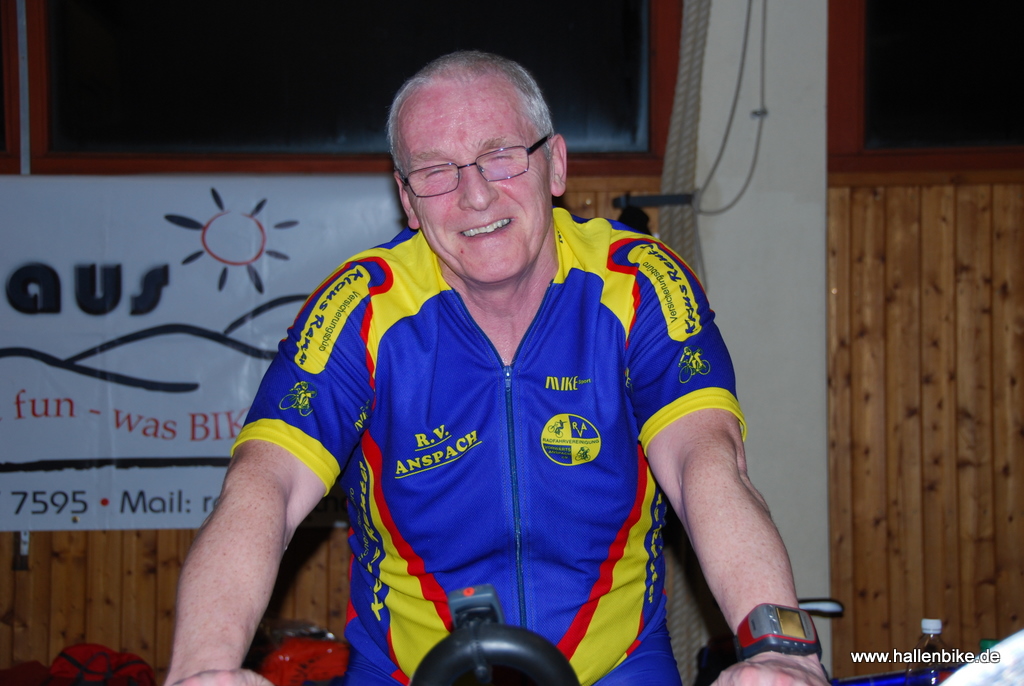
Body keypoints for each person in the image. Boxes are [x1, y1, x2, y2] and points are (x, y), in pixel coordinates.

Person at [166, 51, 827, 686]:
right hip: (408, 673)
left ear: (555, 165)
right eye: (436, 171)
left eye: (501, 157)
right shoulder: (360, 309)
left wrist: (781, 646)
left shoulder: (639, 284)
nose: (476, 196)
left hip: (616, 666)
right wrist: (204, 666)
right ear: (407, 198)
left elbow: (706, 462)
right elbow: (265, 485)